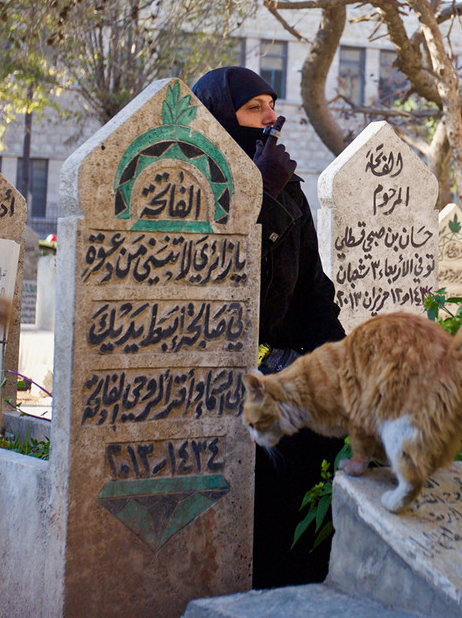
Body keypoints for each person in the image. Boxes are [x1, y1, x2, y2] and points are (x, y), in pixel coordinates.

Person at [191, 66, 346, 588]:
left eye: (272, 106)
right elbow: (226, 285)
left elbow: (312, 291)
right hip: (213, 372)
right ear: (218, 119)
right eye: (254, 108)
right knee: (278, 458)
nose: (271, 118)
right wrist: (258, 191)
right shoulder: (192, 187)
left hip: (282, 365)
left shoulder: (289, 190)